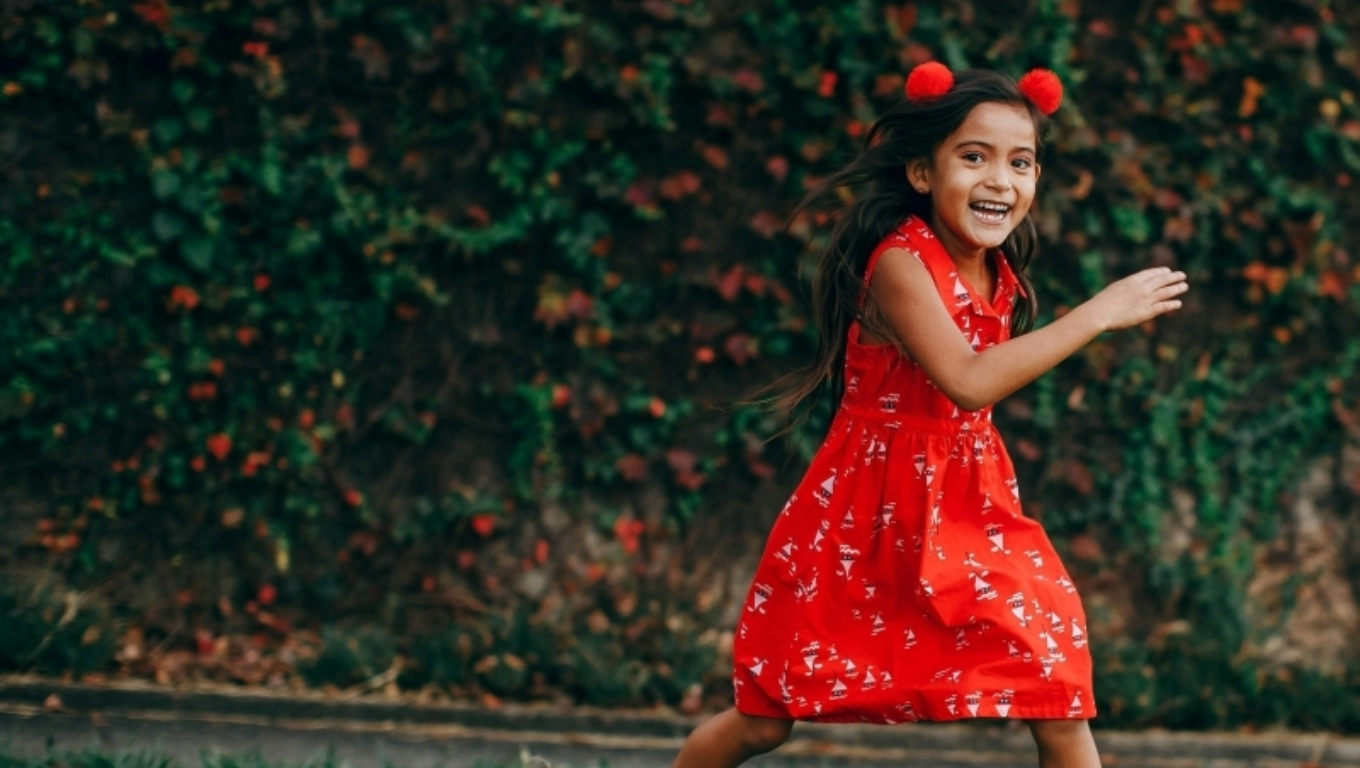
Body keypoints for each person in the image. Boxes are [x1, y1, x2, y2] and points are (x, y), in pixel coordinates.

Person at [669, 63, 1189, 768]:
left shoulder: (997, 270)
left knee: (1056, 683)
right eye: (974, 157)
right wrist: (1098, 314)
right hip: (867, 515)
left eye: (1021, 162)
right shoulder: (899, 265)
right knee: (765, 718)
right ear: (921, 173)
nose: (1000, 180)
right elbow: (970, 382)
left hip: (969, 502)